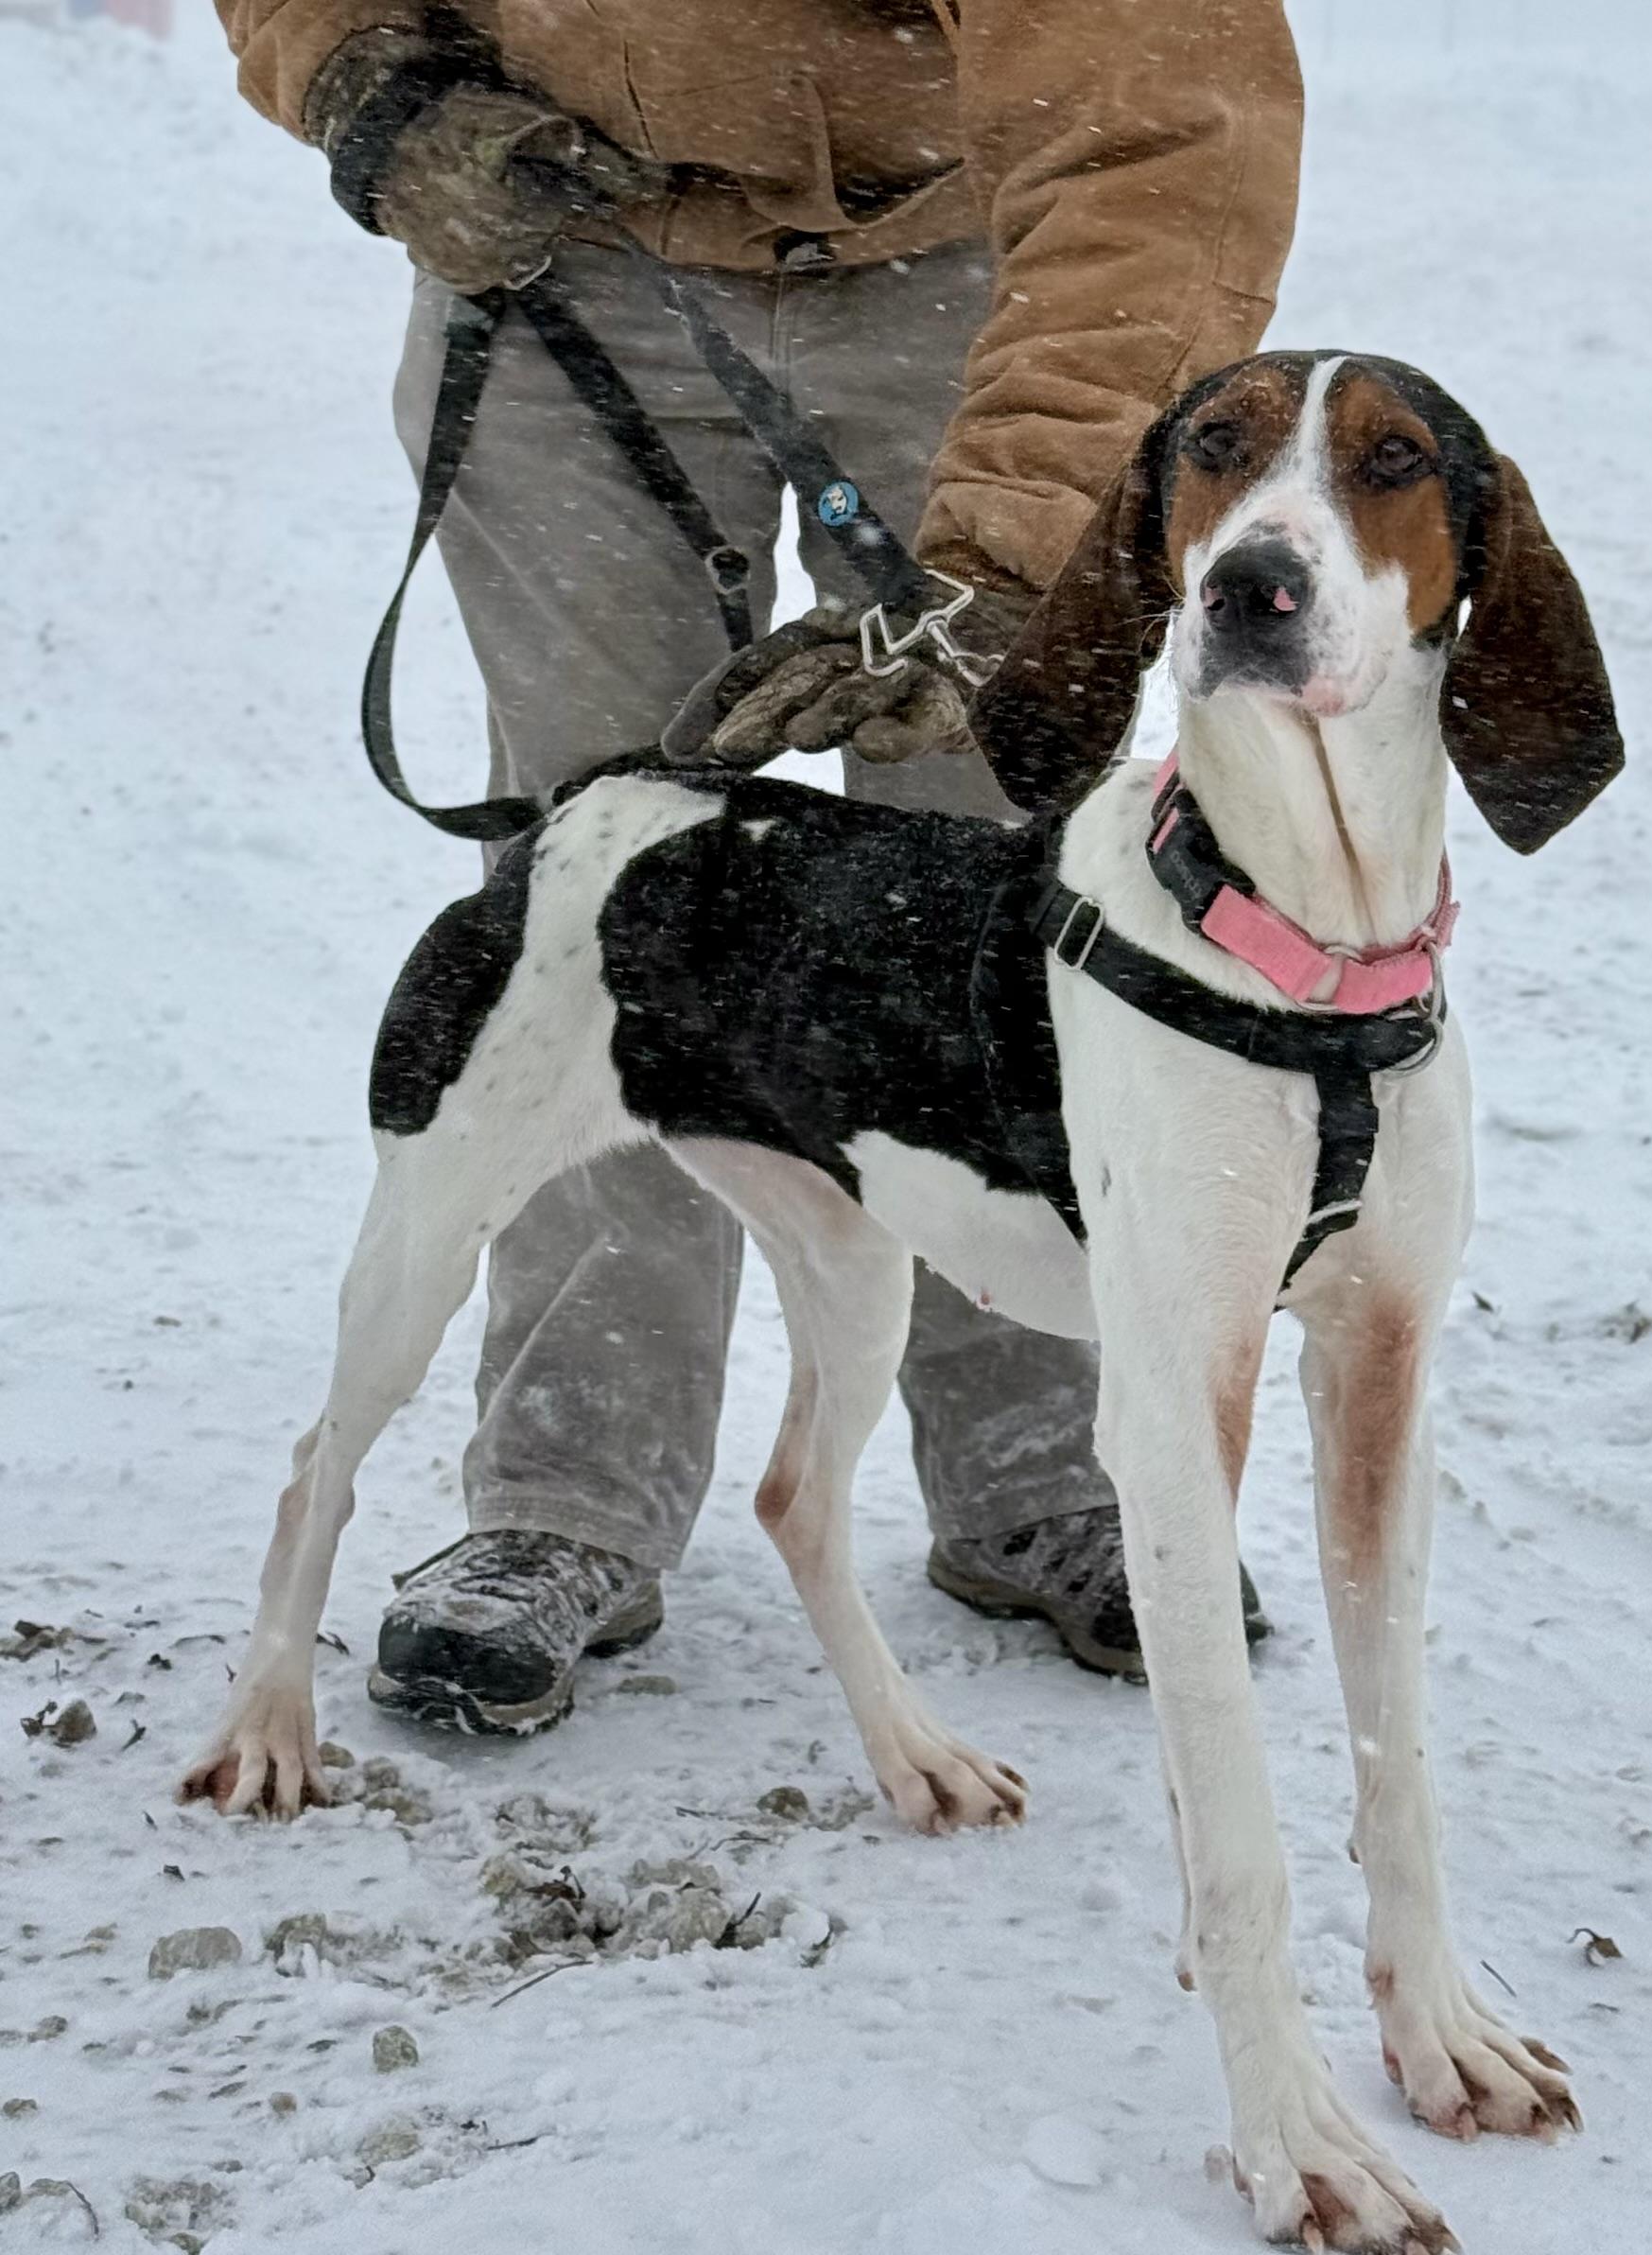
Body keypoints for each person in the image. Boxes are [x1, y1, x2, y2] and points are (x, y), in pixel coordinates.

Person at [215, 0, 1303, 1735]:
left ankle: (1042, 1459)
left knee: (995, 865)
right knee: (603, 884)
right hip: (566, 252)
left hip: (969, 266)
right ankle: (566, 1495)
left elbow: (1160, 126)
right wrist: (367, 75)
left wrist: (1010, 547)